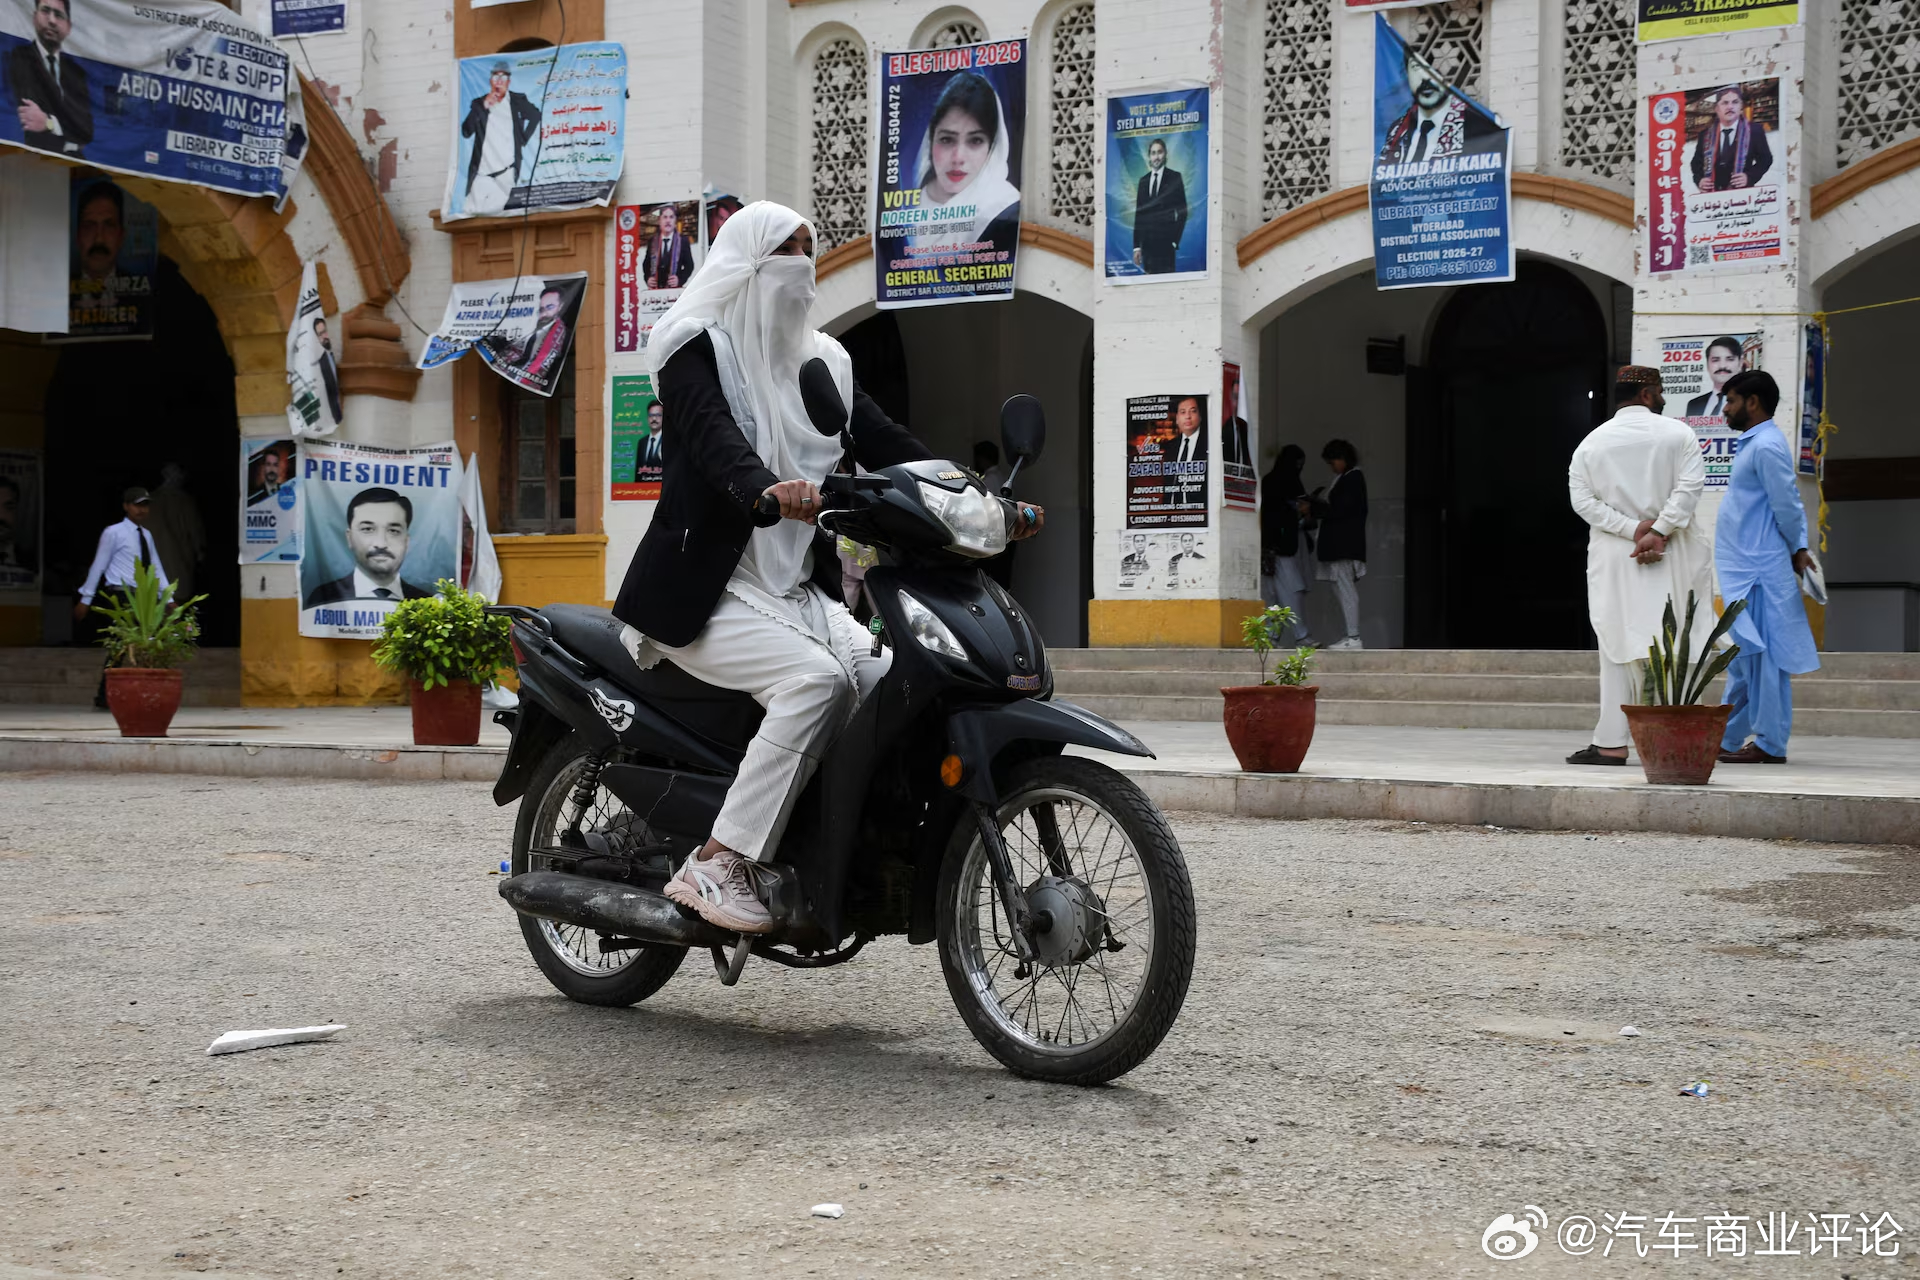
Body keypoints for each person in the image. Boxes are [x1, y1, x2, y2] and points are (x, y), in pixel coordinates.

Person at [610, 201, 1043, 935]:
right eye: (787, 249)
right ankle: (717, 861)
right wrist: (765, 491)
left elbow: (889, 444)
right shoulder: (690, 344)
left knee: (884, 682)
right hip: (702, 593)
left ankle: (832, 850)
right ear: (745, 260)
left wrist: (979, 498)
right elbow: (714, 441)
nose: (802, 267)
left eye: (811, 248)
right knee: (816, 680)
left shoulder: (825, 364)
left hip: (788, 590)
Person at [1564, 365, 1716, 766]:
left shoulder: (1590, 444)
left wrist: (1633, 530)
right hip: (1673, 555)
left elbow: (1583, 502)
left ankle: (1611, 742)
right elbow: (1690, 488)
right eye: (1660, 392)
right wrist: (1660, 530)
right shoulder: (1679, 433)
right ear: (1648, 394)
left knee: (1617, 647)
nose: (1663, 399)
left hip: (1618, 558)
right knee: (1675, 647)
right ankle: (1678, 739)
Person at [1714, 370, 1818, 764]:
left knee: (1765, 661)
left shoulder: (1768, 446)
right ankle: (1725, 739)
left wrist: (1799, 548)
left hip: (1760, 570)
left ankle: (1770, 744)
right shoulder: (1754, 443)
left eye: (1730, 400)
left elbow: (1787, 506)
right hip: (1744, 568)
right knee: (1745, 662)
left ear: (1752, 402)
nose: (1725, 408)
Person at [907, 72, 1022, 269]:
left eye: (975, 141)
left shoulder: (1004, 209)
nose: (958, 157)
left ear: (992, 147)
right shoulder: (906, 205)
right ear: (931, 140)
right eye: (947, 140)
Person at [74, 487, 168, 708]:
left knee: (145, 644)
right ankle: (105, 695)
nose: (141, 510)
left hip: (142, 597)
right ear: (126, 506)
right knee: (120, 646)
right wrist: (85, 599)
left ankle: (134, 694)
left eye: (145, 505)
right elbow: (99, 565)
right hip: (120, 595)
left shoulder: (146, 535)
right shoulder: (113, 532)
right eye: (137, 504)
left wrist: (168, 597)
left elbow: (156, 567)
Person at [304, 487, 433, 606]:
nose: (381, 544)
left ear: (406, 541)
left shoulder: (427, 604)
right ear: (349, 538)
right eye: (367, 529)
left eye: (393, 531)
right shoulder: (323, 599)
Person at [1377, 44, 1499, 164]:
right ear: (1407, 75)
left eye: (1431, 68)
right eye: (1416, 67)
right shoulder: (1397, 130)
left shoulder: (1475, 123)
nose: (1425, 77)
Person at [1305, 439, 1367, 649]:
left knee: (1345, 589)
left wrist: (1314, 509)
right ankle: (1350, 635)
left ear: (1343, 458)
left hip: (1344, 545)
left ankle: (1354, 637)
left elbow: (1340, 510)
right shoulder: (1346, 478)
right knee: (1340, 590)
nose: (1332, 467)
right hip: (1339, 545)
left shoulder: (1353, 478)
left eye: (1333, 462)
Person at [9, 0, 91, 157]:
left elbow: (86, 131)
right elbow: (30, 116)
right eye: (46, 11)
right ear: (34, 17)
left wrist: (48, 123)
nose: (52, 20)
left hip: (75, 162)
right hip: (31, 158)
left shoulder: (77, 72)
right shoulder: (20, 57)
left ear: (68, 27)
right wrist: (70, 126)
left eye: (59, 15)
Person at [461, 61, 541, 215]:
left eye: (503, 78)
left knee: (511, 213)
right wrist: (484, 106)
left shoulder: (517, 101)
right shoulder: (479, 103)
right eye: (495, 78)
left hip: (506, 172)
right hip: (482, 174)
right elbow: (466, 131)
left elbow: (535, 115)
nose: (499, 82)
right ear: (490, 81)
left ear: (508, 82)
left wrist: (523, 138)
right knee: (469, 212)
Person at [1260, 445, 1315, 647]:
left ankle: (1271, 638)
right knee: (1293, 590)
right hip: (1282, 546)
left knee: (1276, 595)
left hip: (1271, 546)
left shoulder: (1270, 480)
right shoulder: (1287, 482)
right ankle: (1302, 636)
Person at [1690, 85, 1772, 193]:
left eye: (1735, 102)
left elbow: (1765, 159)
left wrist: (1749, 177)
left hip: (1742, 194)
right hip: (1713, 195)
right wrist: (1700, 180)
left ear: (1741, 106)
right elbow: (1696, 163)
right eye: (1725, 103)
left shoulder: (1754, 131)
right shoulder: (1705, 135)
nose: (1730, 107)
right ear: (1716, 108)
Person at [146, 462, 207, 603]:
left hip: (152, 571)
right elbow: (196, 536)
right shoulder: (185, 501)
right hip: (178, 568)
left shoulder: (149, 501)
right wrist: (199, 554)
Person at [1131, 139, 1188, 274]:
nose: (1156, 157)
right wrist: (1137, 247)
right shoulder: (1143, 181)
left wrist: (1174, 240)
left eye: (1159, 152)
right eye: (1153, 153)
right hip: (1147, 246)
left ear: (1165, 154)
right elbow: (1139, 215)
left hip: (1166, 246)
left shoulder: (1174, 177)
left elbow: (1182, 211)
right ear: (1149, 157)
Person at [508, 286, 570, 385]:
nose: (544, 313)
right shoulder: (529, 325)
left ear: (561, 306)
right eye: (541, 309)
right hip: (510, 375)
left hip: (540, 384)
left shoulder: (563, 334)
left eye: (550, 307)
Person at [74, 182, 124, 287]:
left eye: (109, 226)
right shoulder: (53, 288)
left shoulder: (149, 291)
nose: (99, 239)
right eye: (89, 227)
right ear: (78, 236)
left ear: (121, 236)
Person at [1684, 336, 1744, 419]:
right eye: (1715, 360)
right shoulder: (1694, 404)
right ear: (1707, 364)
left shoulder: (1746, 403)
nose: (1722, 366)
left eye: (1730, 359)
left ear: (1740, 363)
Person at [643, 205, 696, 291]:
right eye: (665, 217)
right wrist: (648, 278)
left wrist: (679, 280)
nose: (668, 221)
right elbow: (646, 265)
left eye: (671, 217)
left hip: (674, 292)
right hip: (656, 293)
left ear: (675, 221)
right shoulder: (653, 241)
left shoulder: (683, 241)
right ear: (660, 220)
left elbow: (689, 266)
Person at [313, 317, 344, 425]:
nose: (325, 336)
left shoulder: (331, 355)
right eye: (321, 334)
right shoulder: (319, 362)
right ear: (316, 338)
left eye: (325, 331)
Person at [638, 400, 666, 474]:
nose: (654, 419)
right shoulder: (642, 442)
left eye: (658, 415)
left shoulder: (668, 441)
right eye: (651, 415)